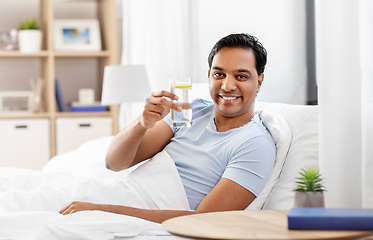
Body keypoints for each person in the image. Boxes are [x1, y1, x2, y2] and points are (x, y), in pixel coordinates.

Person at [59, 33, 276, 223]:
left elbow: (206, 221)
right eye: (219, 74)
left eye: (241, 76)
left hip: (132, 213)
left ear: (259, 82)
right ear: (209, 76)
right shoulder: (191, 110)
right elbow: (114, 163)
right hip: (120, 195)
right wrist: (142, 123)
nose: (227, 86)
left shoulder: (255, 144)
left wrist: (106, 212)